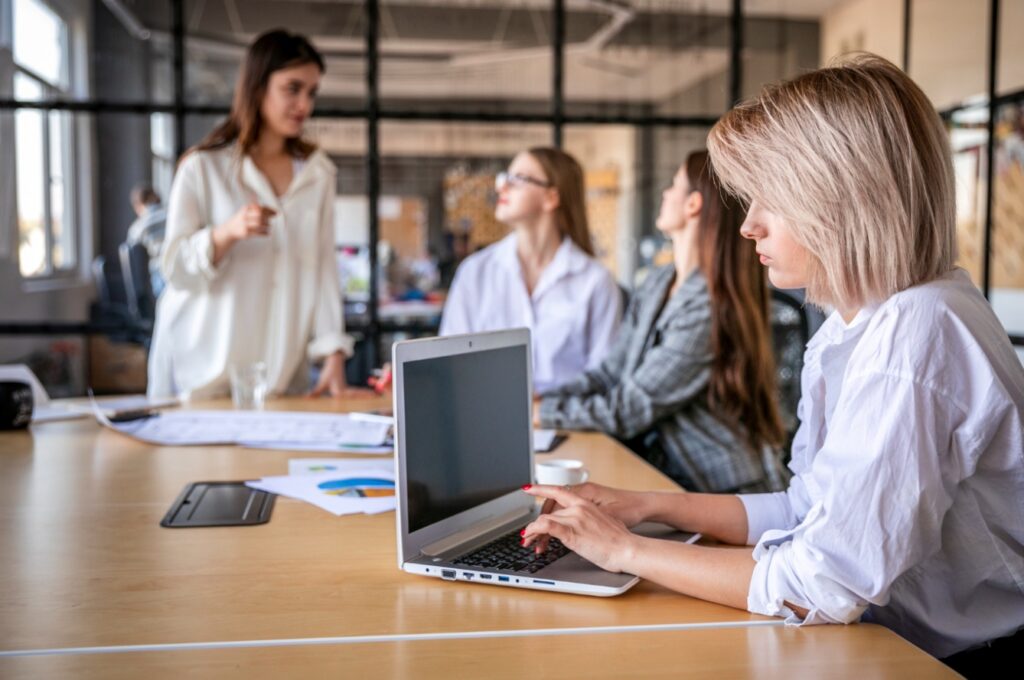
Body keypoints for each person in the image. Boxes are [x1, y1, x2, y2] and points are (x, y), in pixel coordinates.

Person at [520, 54, 1024, 673]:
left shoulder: (915, 332)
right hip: (893, 644)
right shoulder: (857, 324)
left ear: (838, 197)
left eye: (770, 199)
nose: (750, 225)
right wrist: (647, 508)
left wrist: (625, 553)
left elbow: (820, 584)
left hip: (952, 660)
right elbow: (805, 514)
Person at [536, 150, 785, 494]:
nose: (665, 193)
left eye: (674, 185)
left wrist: (543, 412)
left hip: (717, 485)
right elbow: (610, 373)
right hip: (662, 470)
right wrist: (541, 398)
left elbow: (630, 409)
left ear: (693, 205)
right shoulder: (659, 282)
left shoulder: (709, 305)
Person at [148, 30, 364, 400]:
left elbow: (324, 266)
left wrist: (333, 353)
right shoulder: (202, 167)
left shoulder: (318, 174)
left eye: (311, 92)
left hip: (277, 372)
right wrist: (225, 233)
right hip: (201, 370)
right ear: (258, 86)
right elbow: (174, 270)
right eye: (292, 88)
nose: (304, 105)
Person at [439, 148, 622, 394]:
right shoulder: (475, 272)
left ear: (551, 197)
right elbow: (450, 363)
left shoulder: (596, 281)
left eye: (518, 179)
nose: (501, 187)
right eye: (505, 178)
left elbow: (605, 378)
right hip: (487, 419)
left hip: (567, 424)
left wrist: (544, 407)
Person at [125, 183, 167, 296]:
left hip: (159, 276)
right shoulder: (172, 215)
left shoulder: (138, 227)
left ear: (137, 206)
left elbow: (131, 253)